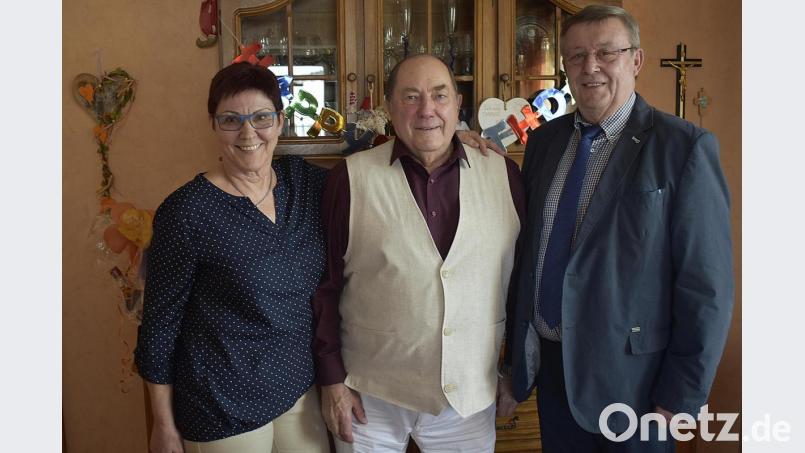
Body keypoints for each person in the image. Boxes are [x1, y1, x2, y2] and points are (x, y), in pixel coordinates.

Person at [135, 62, 503, 453]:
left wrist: (450, 136)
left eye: (261, 117)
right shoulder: (186, 212)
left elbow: (384, 173)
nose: (248, 132)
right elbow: (159, 326)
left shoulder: (305, 184)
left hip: (298, 391)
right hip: (223, 401)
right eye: (231, 119)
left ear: (280, 121)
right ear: (213, 124)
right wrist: (163, 423)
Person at [498, 5, 734, 452]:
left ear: (636, 60)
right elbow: (529, 255)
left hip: (636, 388)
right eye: (576, 56)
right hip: (553, 374)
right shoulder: (544, 143)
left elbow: (707, 287)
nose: (591, 67)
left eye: (607, 52)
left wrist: (680, 397)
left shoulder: (683, 147)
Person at [312, 54, 526, 452]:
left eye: (439, 96)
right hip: (369, 397)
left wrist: (516, 369)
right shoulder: (351, 178)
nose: (427, 110)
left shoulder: (504, 175)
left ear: (457, 105)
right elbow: (326, 287)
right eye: (411, 97)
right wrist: (332, 381)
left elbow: (520, 286)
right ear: (390, 109)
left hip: (469, 399)